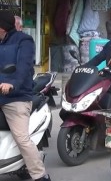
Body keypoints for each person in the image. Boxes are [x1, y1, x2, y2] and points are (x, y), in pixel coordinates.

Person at [0, 10, 51, 181]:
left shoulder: (24, 41)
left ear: (3, 27)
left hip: (16, 97)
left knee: (21, 138)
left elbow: (23, 67)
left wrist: (12, 83)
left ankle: (40, 175)